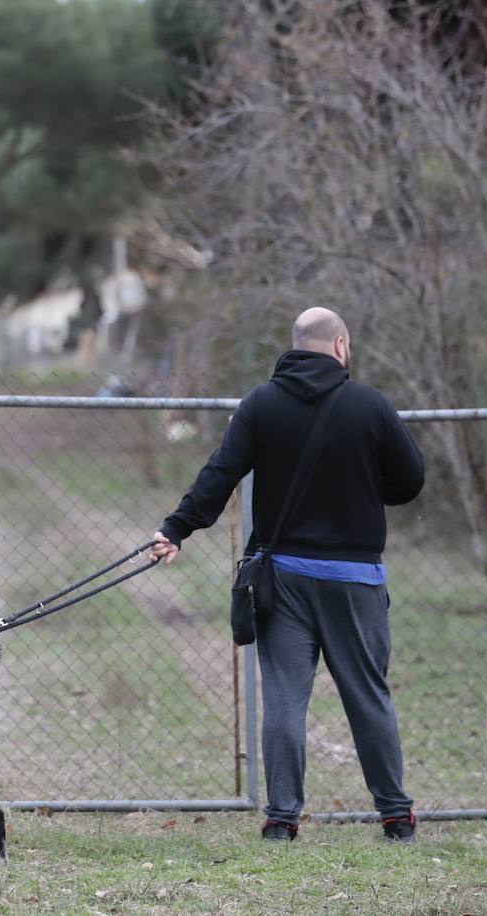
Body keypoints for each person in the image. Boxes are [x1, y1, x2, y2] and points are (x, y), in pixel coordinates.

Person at [150, 307, 424, 843]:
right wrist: (368, 486)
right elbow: (410, 479)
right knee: (368, 696)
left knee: (283, 701)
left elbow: (220, 473)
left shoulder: (261, 403)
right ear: (340, 345)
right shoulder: (370, 405)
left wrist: (176, 529)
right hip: (355, 578)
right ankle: (396, 816)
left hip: (284, 578)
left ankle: (281, 819)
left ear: (296, 345)